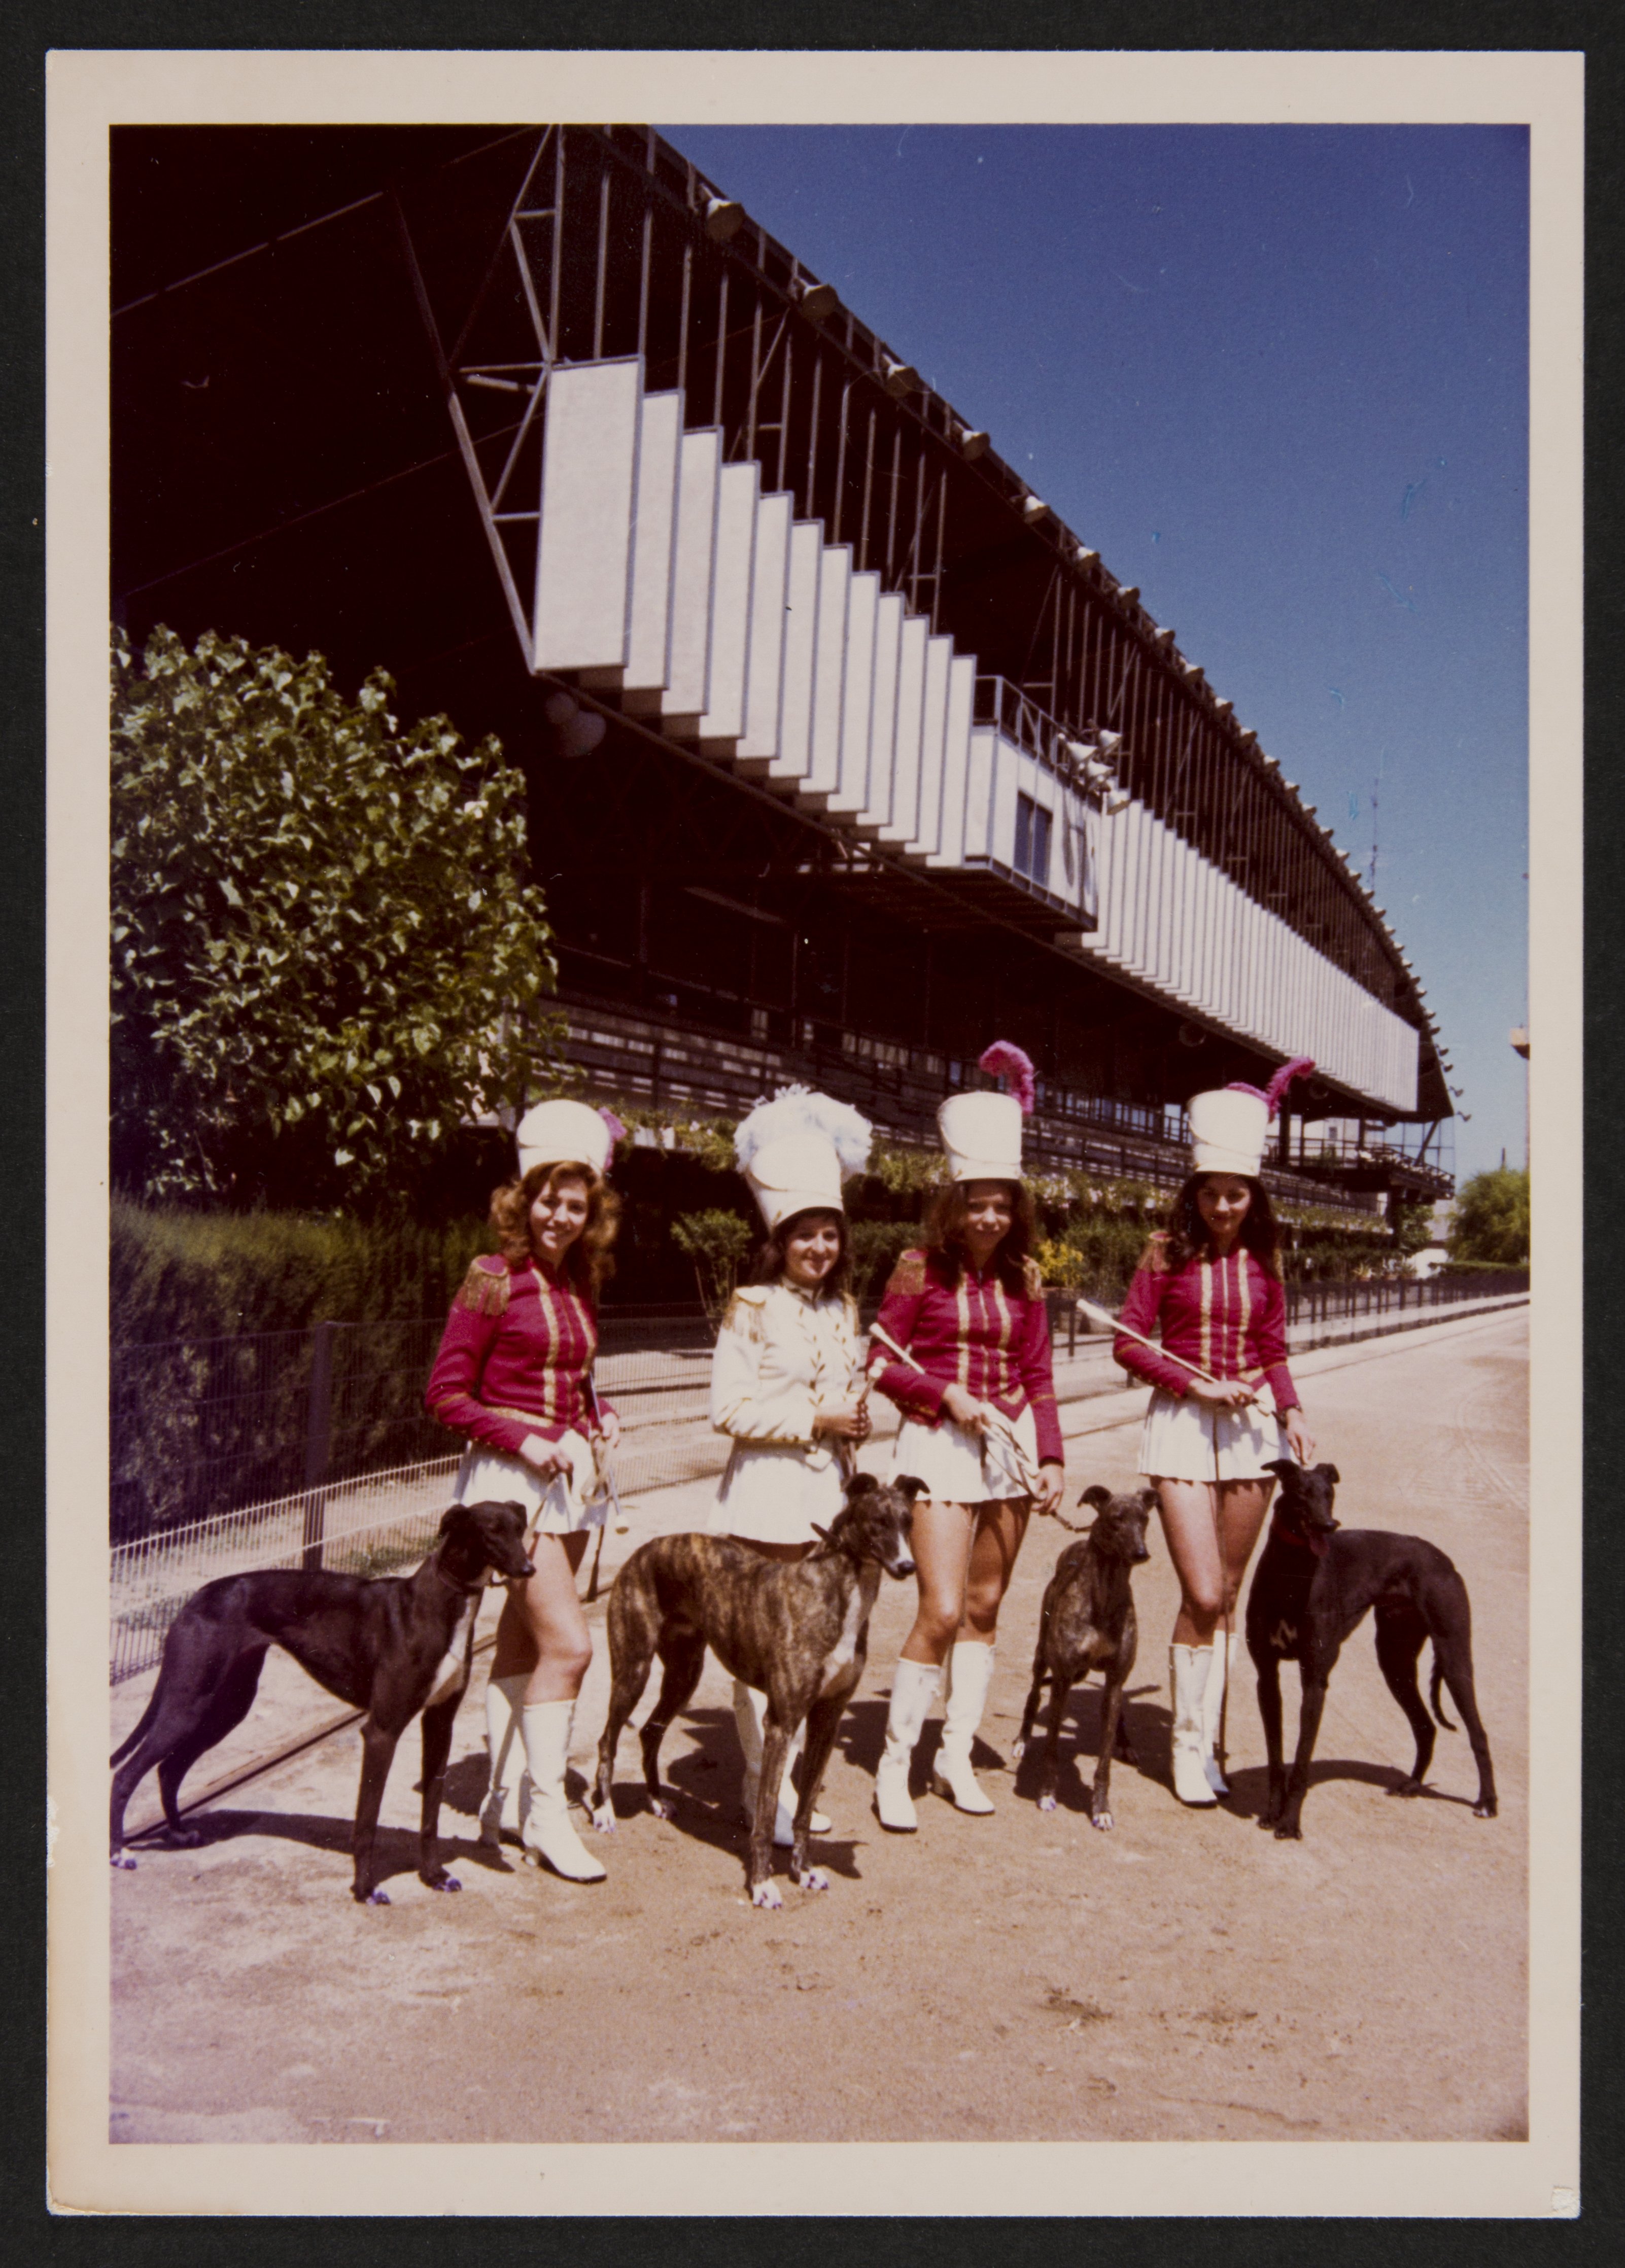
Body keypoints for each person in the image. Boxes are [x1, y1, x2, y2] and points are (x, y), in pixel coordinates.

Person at [425, 1098, 624, 1882]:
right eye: (548, 1198)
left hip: (568, 1481)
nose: (561, 1216)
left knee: (526, 1639)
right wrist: (529, 1439)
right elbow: (445, 1395)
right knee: (571, 1646)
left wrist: (600, 1415)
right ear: (523, 1196)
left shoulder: (581, 1283)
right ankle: (546, 1815)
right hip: (510, 1486)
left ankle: (501, 1798)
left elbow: (575, 1382)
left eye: (577, 1204)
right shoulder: (490, 1278)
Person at [867, 1048, 1065, 1831]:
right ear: (955, 1206)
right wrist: (942, 1392)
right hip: (938, 1446)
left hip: (1010, 1449)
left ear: (1017, 1209)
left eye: (1002, 1205)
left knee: (986, 1606)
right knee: (942, 1610)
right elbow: (880, 1361)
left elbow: (1042, 1376)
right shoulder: (918, 1269)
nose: (990, 1218)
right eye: (977, 1204)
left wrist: (1050, 1456)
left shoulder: (1028, 1279)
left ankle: (956, 1758)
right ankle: (895, 1767)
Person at [1112, 1063, 1319, 1808]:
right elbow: (1129, 1342)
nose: (1224, 1206)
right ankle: (1184, 1747)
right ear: (1193, 1194)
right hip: (1181, 1424)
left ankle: (1208, 1738)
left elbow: (1273, 1347)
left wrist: (1291, 1410)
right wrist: (1190, 1382)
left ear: (1252, 1197)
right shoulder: (1164, 1250)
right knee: (1201, 1589)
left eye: (1236, 1194)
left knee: (1227, 1594)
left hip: (1250, 1431)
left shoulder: (1266, 1261)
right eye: (1211, 1193)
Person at [709, 1088, 874, 1847]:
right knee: (767, 1649)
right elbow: (730, 1411)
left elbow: (845, 1395)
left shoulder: (844, 1312)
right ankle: (760, 1789)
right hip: (767, 1498)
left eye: (830, 1237)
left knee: (821, 1650)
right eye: (805, 1236)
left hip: (829, 1500)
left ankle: (795, 1786)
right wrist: (816, 1418)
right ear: (781, 1238)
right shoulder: (749, 1305)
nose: (819, 1250)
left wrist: (857, 1422)